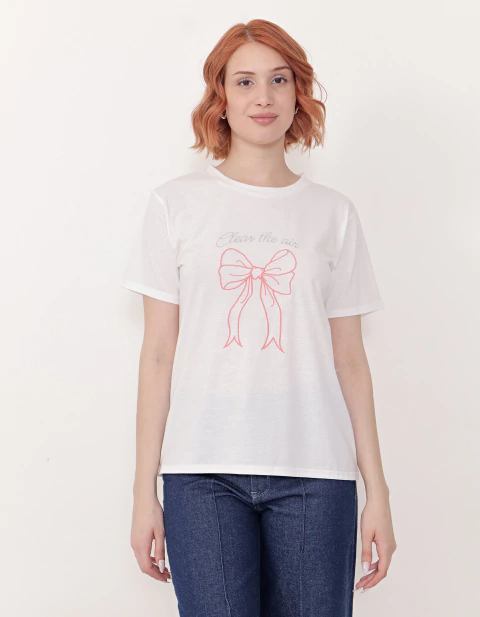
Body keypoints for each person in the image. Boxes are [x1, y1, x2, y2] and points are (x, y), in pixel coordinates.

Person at [121, 18, 396, 617]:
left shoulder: (334, 214)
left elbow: (350, 359)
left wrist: (377, 491)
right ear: (220, 97)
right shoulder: (175, 205)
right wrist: (144, 492)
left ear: (299, 92)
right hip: (201, 474)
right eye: (244, 81)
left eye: (279, 79)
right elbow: (158, 355)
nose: (263, 97)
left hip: (316, 473)